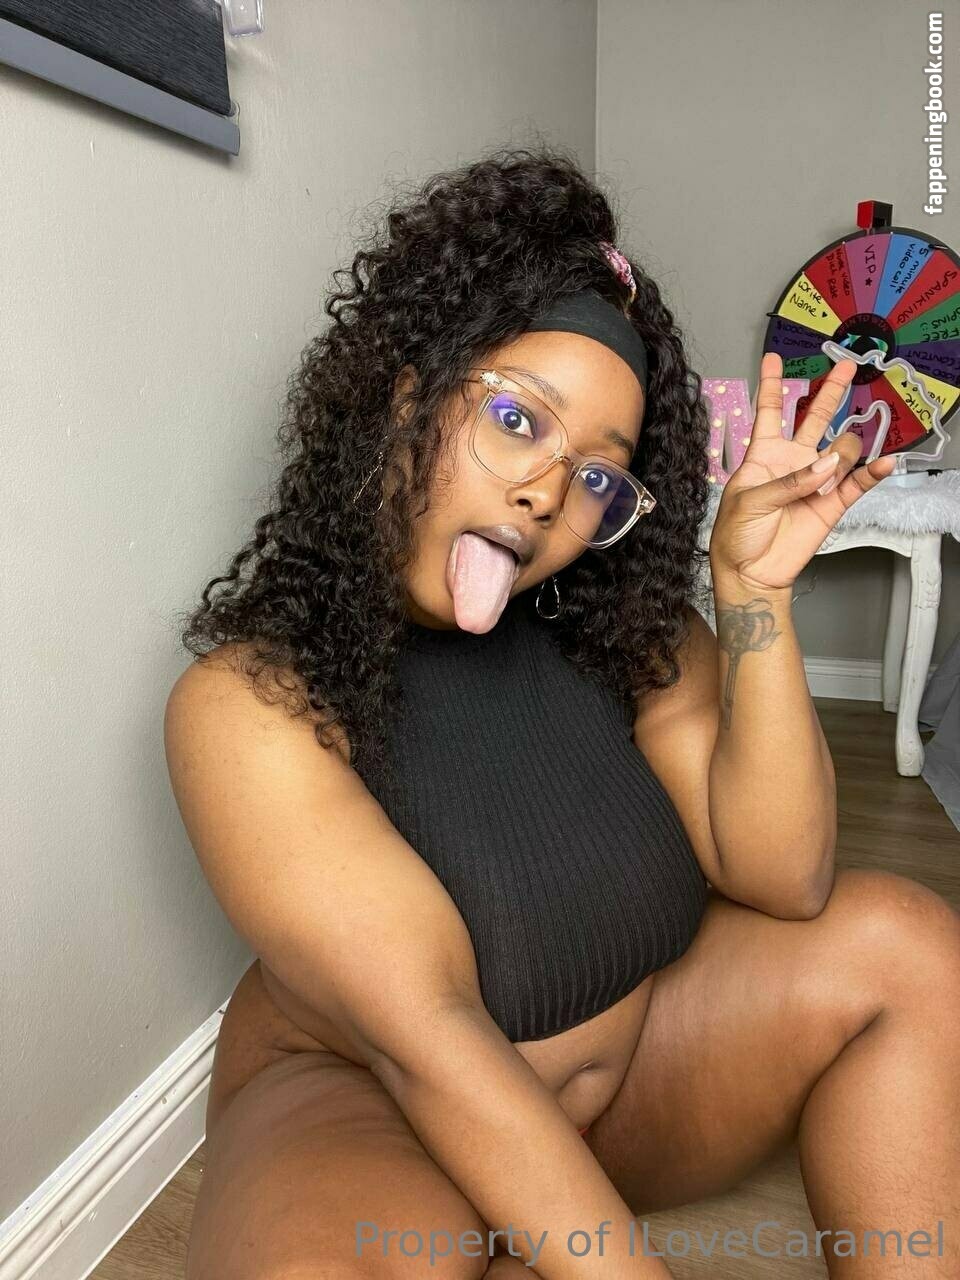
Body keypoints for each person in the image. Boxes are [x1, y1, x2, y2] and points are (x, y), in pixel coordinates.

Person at [163, 145, 960, 1279]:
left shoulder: (620, 632)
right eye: (517, 418)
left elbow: (786, 878)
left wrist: (753, 596)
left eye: (596, 475)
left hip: (627, 1090)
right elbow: (432, 1039)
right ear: (406, 398)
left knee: (908, 944)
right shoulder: (247, 702)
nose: (547, 490)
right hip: (375, 1112)